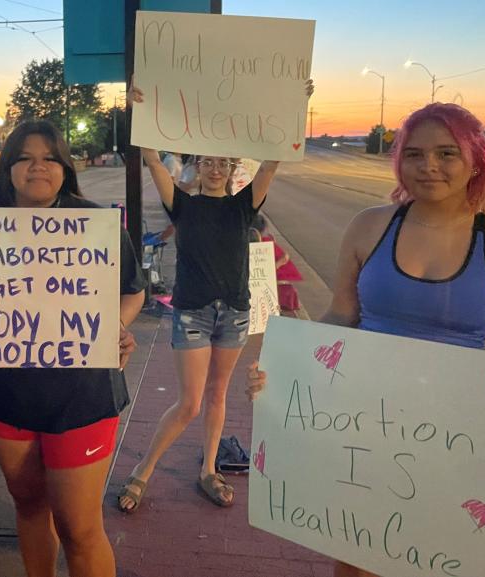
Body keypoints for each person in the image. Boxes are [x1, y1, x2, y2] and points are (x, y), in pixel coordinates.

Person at [245, 102, 485, 577]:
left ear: (476, 160)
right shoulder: (369, 227)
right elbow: (341, 315)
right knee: (357, 559)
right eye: (414, 154)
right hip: (363, 430)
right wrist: (284, 367)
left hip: (456, 442)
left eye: (446, 153)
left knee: (442, 560)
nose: (429, 166)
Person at [0, 120, 146, 577]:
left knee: (80, 527)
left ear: (64, 167)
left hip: (81, 394)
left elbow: (133, 290)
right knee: (29, 504)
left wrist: (112, 325)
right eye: (25, 157)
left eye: (50, 158)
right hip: (4, 394)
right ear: (9, 167)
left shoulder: (94, 225)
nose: (38, 167)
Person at [117, 79, 313, 512]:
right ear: (197, 167)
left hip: (235, 314)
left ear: (231, 169)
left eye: (224, 163)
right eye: (208, 162)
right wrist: (140, 112)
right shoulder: (182, 204)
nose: (216, 168)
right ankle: (142, 470)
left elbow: (270, 166)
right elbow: (150, 157)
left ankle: (208, 468)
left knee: (218, 394)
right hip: (192, 314)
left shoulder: (244, 204)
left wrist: (294, 104)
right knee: (188, 402)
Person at [250, 214, 303, 312]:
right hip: (269, 290)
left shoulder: (259, 244)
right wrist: (280, 262)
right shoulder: (260, 245)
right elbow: (263, 273)